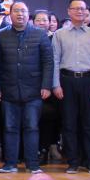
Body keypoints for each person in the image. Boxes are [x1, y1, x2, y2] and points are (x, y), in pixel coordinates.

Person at [0, 2, 53, 174]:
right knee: (10, 128)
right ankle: (10, 164)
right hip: (9, 89)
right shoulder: (1, 35)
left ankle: (32, 165)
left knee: (32, 127)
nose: (20, 14)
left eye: (23, 11)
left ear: (28, 15)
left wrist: (46, 85)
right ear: (10, 14)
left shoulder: (40, 34)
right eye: (16, 11)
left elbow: (48, 62)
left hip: (34, 90)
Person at [52, 0, 90, 174]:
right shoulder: (60, 34)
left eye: (82, 9)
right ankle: (73, 162)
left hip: (89, 80)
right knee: (69, 123)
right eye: (76, 8)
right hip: (67, 80)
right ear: (69, 11)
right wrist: (56, 85)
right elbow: (55, 61)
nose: (79, 11)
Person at [32, 9, 61, 164]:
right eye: (38, 20)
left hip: (50, 85)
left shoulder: (55, 39)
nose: (42, 23)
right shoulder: (29, 37)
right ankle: (33, 150)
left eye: (45, 20)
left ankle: (45, 149)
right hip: (32, 85)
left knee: (48, 118)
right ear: (33, 22)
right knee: (32, 119)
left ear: (50, 23)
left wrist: (49, 85)